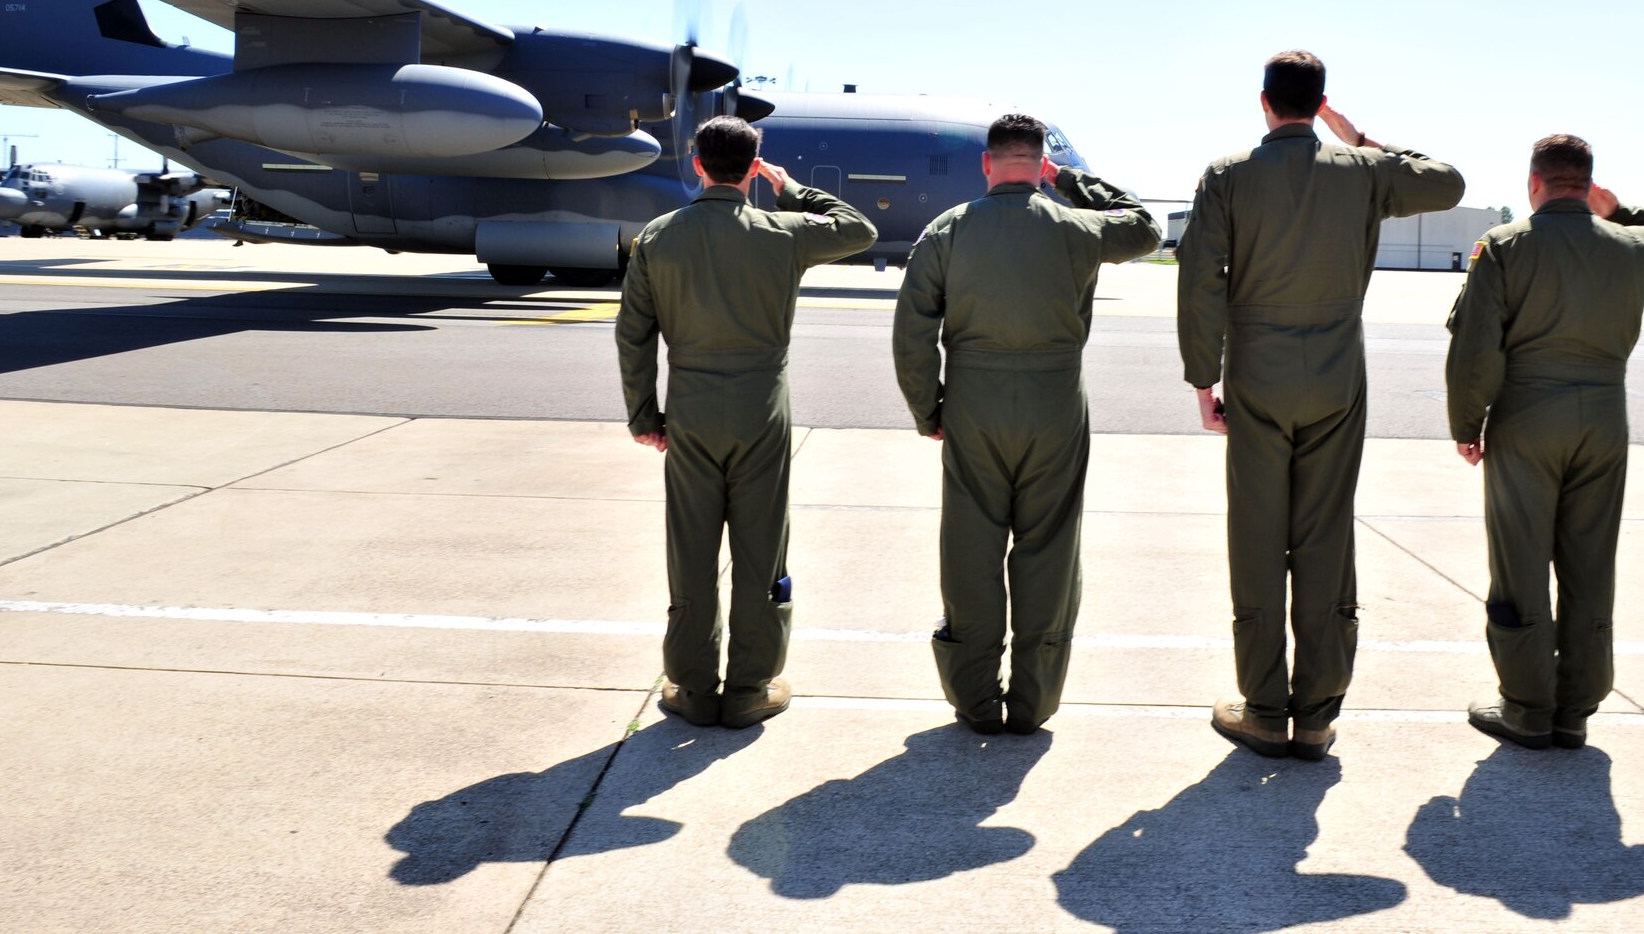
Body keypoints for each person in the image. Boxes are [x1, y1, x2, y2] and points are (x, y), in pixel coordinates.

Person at [1177, 50, 1464, 760]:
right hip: (1336, 375)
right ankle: (1318, 712)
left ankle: (1265, 708)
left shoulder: (1228, 175)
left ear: (1265, 102)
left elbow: (1199, 277)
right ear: (1320, 102)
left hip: (1257, 376)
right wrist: (1358, 137)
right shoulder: (1362, 172)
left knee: (1256, 536)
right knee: (1325, 537)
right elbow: (1449, 183)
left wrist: (1201, 378)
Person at [893, 113, 1160, 735]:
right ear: (1042, 166)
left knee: (970, 548)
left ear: (986, 164)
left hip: (973, 403)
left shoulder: (948, 230)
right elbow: (1145, 229)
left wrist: (929, 409)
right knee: (1049, 547)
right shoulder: (1078, 227)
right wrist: (1074, 184)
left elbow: (912, 333)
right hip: (1055, 401)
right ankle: (1033, 701)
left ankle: (975, 697)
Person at [616, 115, 877, 730]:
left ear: (697, 163)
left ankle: (694, 685)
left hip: (691, 411)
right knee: (761, 548)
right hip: (763, 410)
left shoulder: (658, 237)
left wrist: (643, 415)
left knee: (692, 549)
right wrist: (790, 188)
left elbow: (634, 336)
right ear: (752, 166)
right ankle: (749, 687)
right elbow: (858, 229)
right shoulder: (782, 233)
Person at [1445, 135, 1644, 750]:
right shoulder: (1632, 245)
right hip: (1605, 417)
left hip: (1529, 417)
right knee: (1590, 563)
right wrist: (1626, 213)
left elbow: (1475, 346)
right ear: (1588, 186)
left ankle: (1528, 707)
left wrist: (1466, 424)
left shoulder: (1507, 245)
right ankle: (1576, 708)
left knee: (1520, 564)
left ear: (1533, 183)